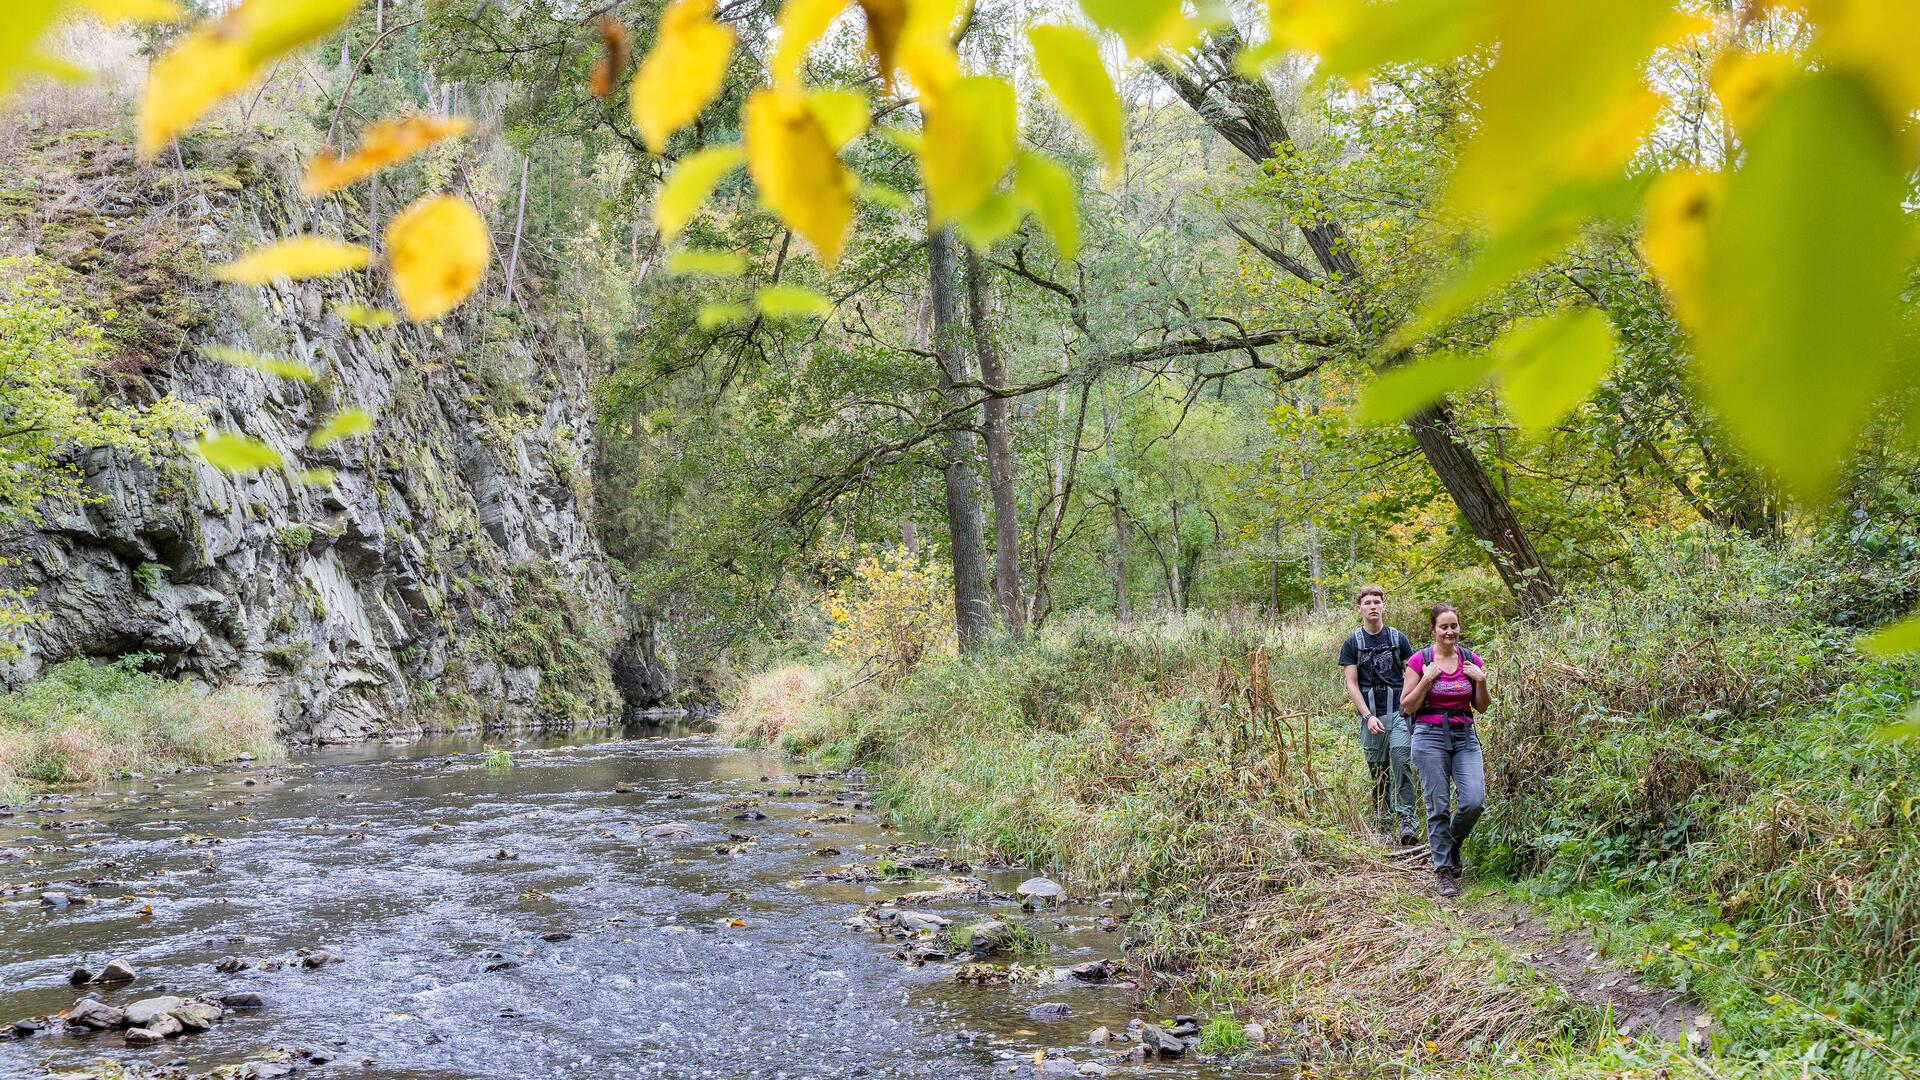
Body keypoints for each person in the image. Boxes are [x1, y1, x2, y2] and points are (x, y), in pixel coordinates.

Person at [1400, 602, 1490, 898]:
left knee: (1474, 800)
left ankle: (1450, 846)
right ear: (1434, 629)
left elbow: (1482, 706)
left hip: (1465, 734)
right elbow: (1406, 706)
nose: (1450, 632)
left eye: (1454, 626)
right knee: (1437, 805)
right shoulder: (1419, 661)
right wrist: (1426, 680)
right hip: (1428, 737)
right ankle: (1443, 871)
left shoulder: (1470, 660)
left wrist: (1482, 681)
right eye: (1444, 627)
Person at [1338, 585, 1417, 845]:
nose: (1373, 606)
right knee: (1378, 771)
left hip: (1398, 712)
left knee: (1401, 761)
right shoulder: (1352, 643)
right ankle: (1382, 824)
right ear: (1359, 607)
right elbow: (1351, 683)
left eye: (1377, 602)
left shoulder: (1398, 638)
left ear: (1383, 605)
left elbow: (1413, 672)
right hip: (1370, 715)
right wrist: (1367, 715)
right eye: (1367, 602)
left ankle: (1407, 820)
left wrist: (1408, 704)